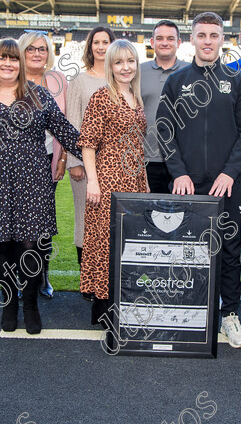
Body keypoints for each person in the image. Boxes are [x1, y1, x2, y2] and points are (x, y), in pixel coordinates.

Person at [0, 39, 81, 333]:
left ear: (20, 64)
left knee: (32, 245)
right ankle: (9, 303)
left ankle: (30, 304)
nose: (8, 64)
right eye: (2, 58)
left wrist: (100, 145)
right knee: (2, 245)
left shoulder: (37, 96)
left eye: (13, 59)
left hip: (33, 182)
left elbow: (65, 131)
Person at [157, 11, 241, 349]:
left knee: (228, 249)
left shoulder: (237, 81)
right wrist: (178, 171)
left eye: (214, 35)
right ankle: (192, 311)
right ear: (193, 40)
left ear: (223, 40)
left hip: (227, 186)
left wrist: (230, 172)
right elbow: (164, 130)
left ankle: (229, 315)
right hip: (188, 186)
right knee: (188, 251)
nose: (208, 41)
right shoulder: (177, 81)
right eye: (202, 35)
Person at [79, 40, 149, 325]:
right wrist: (93, 182)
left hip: (132, 182)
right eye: (119, 62)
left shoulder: (136, 96)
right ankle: (105, 308)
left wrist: (142, 182)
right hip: (107, 182)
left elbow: (138, 144)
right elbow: (87, 144)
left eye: (130, 61)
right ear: (109, 65)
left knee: (126, 244)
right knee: (106, 244)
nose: (125, 67)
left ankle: (120, 303)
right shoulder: (101, 96)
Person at [19, 30, 70, 299]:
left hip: (48, 159)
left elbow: (67, 122)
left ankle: (42, 275)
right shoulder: (10, 78)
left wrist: (62, 158)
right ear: (22, 51)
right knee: (15, 223)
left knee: (41, 223)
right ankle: (20, 278)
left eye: (42, 49)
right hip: (13, 164)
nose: (37, 53)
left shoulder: (57, 79)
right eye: (31, 49)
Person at [66, 26, 115, 300]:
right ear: (90, 47)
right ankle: (88, 283)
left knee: (108, 224)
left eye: (105, 42)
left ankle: (106, 279)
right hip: (86, 166)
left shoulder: (122, 78)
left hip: (116, 168)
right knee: (85, 222)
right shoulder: (80, 81)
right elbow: (73, 122)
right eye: (96, 42)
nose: (100, 47)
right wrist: (75, 161)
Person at [139, 19, 188, 193]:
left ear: (179, 43)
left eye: (170, 38)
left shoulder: (191, 72)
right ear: (152, 42)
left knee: (180, 217)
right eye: (160, 38)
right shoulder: (137, 72)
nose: (165, 42)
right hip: (146, 158)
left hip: (182, 160)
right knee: (147, 216)